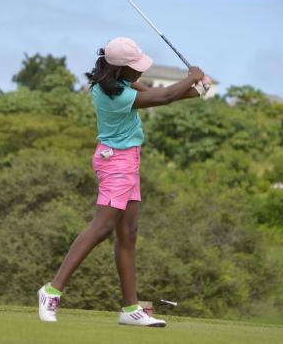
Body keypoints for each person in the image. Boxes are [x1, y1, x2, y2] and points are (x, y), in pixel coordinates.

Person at [38, 37, 212, 327]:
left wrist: (196, 90)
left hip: (128, 162)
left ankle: (130, 309)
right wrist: (192, 77)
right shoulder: (115, 94)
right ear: (121, 68)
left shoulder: (116, 83)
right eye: (136, 67)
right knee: (101, 228)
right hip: (115, 163)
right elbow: (162, 97)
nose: (140, 72)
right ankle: (51, 291)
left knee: (128, 233)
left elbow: (162, 94)